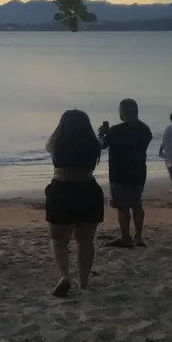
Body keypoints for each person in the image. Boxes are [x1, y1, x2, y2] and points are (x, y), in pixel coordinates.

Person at [44, 109, 104, 297]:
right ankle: (84, 282)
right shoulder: (94, 145)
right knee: (86, 241)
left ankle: (64, 275)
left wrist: (61, 125)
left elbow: (49, 140)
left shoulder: (56, 144)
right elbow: (100, 141)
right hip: (88, 189)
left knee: (58, 240)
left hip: (62, 190)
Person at [99, 98, 154, 248]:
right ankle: (138, 237)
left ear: (122, 112)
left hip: (120, 173)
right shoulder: (145, 129)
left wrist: (102, 134)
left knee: (123, 208)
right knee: (137, 205)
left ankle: (125, 238)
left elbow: (101, 145)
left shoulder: (116, 130)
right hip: (139, 172)